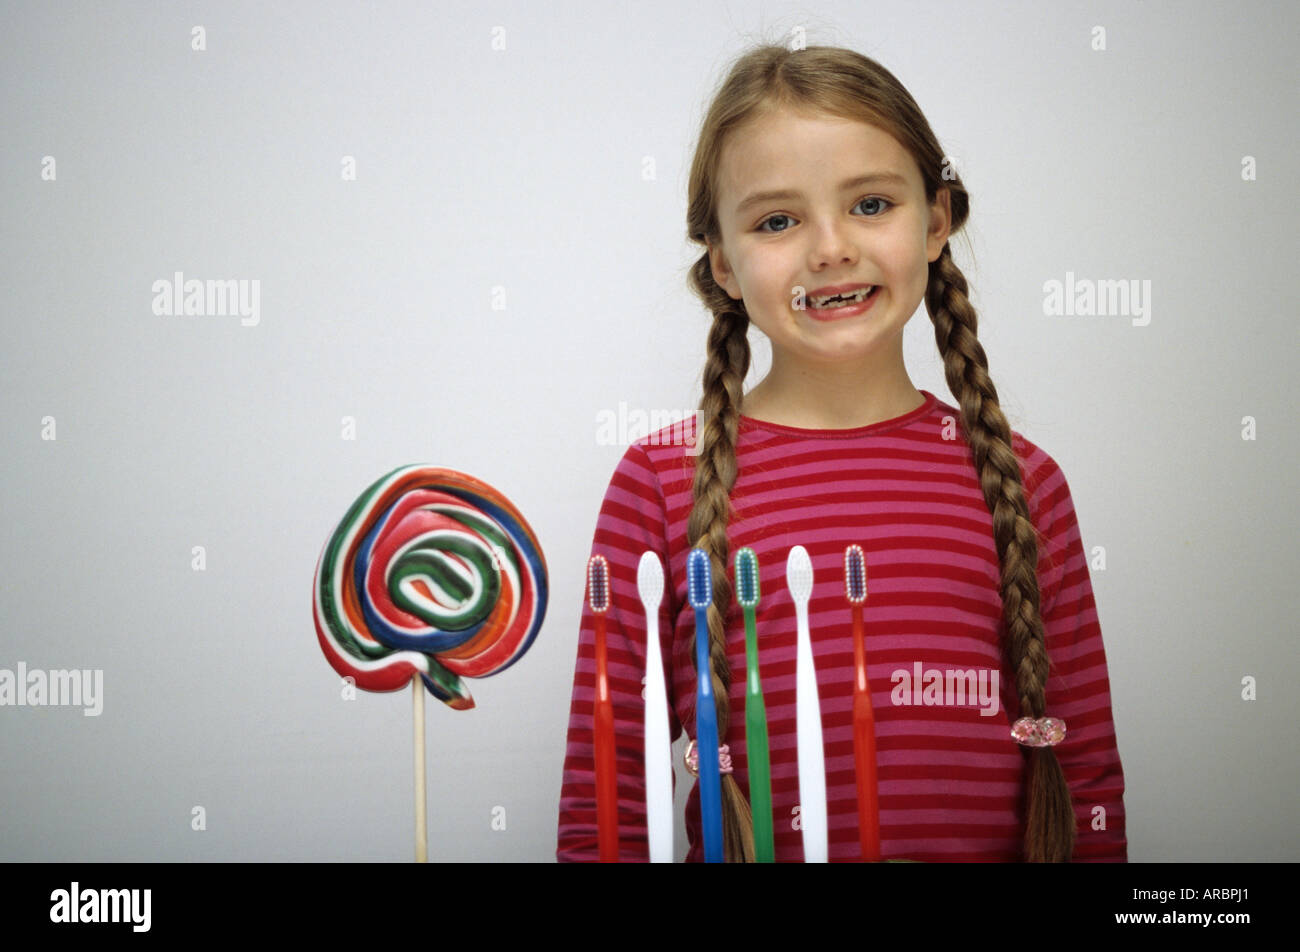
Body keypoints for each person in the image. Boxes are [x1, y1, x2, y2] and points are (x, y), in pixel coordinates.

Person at [556, 43, 1126, 862]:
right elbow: (602, 799)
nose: (829, 248)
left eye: (870, 204)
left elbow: (1086, 782)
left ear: (935, 221)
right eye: (777, 221)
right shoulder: (658, 482)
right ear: (723, 263)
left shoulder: (1025, 483)